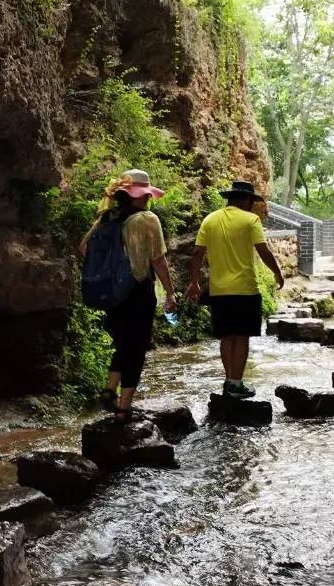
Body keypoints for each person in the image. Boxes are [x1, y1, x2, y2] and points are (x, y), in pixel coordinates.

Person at [80, 169, 177, 421]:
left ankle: (109, 390)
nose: (148, 198)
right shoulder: (147, 219)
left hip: (112, 293)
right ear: (139, 195)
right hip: (138, 291)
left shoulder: (107, 218)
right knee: (137, 349)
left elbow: (83, 249)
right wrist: (170, 292)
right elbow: (158, 260)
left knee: (123, 343)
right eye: (145, 194)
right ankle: (123, 408)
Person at [185, 180, 283, 398]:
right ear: (246, 200)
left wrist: (194, 282)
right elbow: (263, 251)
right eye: (251, 202)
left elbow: (197, 254)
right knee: (242, 338)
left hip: (219, 291)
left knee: (226, 337)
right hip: (245, 289)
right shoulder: (251, 220)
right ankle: (236, 383)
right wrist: (277, 272)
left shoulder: (210, 219)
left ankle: (229, 381)